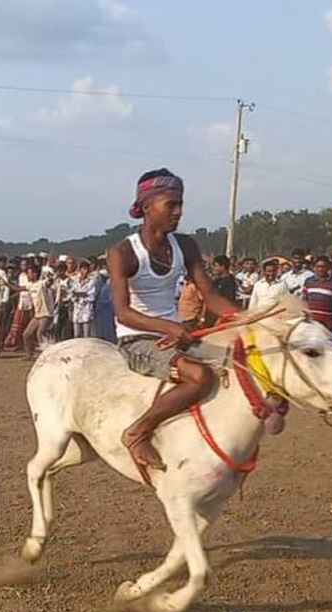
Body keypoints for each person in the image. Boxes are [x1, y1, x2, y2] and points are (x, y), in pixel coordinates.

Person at [107, 168, 240, 482]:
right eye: (171, 205)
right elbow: (123, 313)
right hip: (137, 340)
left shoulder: (185, 245)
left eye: (180, 204)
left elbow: (209, 295)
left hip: (175, 335)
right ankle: (138, 433)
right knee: (199, 376)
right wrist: (168, 328)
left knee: (244, 361)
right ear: (147, 205)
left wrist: (245, 320)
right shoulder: (122, 252)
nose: (178, 212)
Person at [301, 256, 332, 333]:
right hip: (311, 322)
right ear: (314, 268)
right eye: (318, 266)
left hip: (328, 323)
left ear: (328, 268)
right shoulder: (308, 282)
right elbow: (304, 299)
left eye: (323, 267)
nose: (320, 269)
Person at [69, 260, 98, 338]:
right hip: (77, 309)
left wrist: (79, 294)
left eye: (86, 269)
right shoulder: (75, 281)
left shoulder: (91, 281)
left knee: (86, 335)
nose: (84, 271)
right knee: (76, 334)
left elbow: (91, 296)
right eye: (82, 269)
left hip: (86, 309)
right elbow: (71, 294)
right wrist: (80, 294)